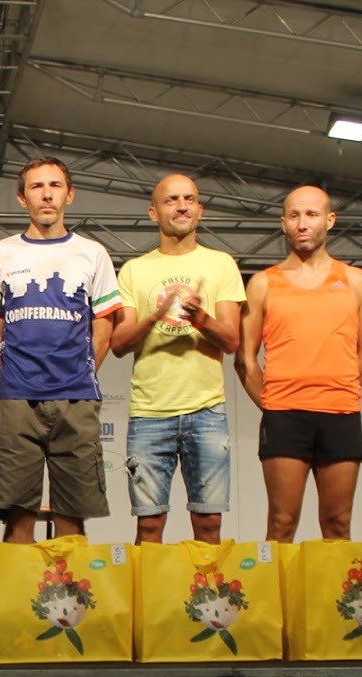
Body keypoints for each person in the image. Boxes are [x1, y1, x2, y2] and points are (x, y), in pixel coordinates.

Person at [0, 158, 120, 543]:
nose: (46, 194)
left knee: (72, 520)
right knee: (17, 519)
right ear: (22, 198)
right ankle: (18, 587)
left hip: (76, 397)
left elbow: (104, 323)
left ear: (69, 195)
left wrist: (83, 370)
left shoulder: (92, 253)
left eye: (55, 186)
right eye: (37, 186)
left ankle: (66, 587)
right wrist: (6, 373)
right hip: (16, 399)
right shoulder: (0, 253)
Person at [234, 185, 362, 542]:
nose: (302, 224)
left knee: (338, 524)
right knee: (281, 523)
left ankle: (334, 585)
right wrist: (274, 404)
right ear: (283, 222)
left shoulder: (355, 280)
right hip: (285, 417)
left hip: (341, 413)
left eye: (312, 214)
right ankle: (275, 585)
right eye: (294, 215)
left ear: (330, 220)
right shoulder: (263, 283)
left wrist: (336, 391)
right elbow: (245, 359)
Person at [111, 173, 243, 545]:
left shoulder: (221, 264)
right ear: (154, 213)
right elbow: (119, 343)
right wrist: (155, 316)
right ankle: (150, 588)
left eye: (189, 199)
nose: (181, 206)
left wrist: (200, 318)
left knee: (209, 524)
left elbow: (232, 340)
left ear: (200, 210)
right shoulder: (135, 269)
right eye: (171, 200)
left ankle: (204, 586)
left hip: (207, 411)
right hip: (149, 413)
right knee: (149, 526)